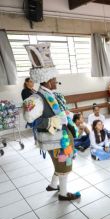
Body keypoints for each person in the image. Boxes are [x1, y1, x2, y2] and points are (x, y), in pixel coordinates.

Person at [22, 43, 80, 201]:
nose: (56, 81)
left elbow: (59, 112)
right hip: (54, 140)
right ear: (47, 81)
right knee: (64, 163)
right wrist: (52, 122)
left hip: (62, 136)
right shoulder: (36, 99)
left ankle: (54, 185)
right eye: (54, 79)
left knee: (60, 161)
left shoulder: (52, 94)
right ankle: (63, 193)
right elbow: (30, 121)